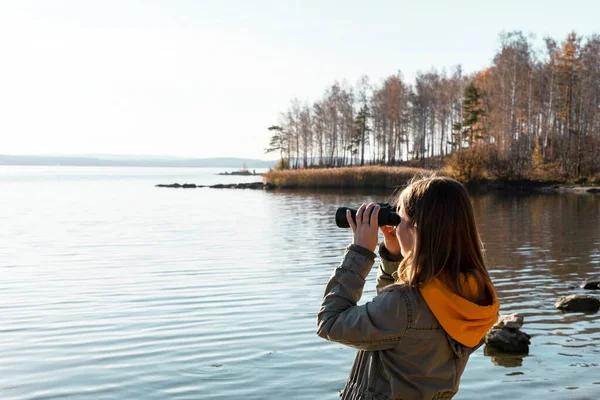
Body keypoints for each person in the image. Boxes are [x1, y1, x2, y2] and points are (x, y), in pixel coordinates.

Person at [317, 176, 500, 400]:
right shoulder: (473, 294)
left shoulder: (404, 303)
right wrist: (394, 256)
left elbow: (330, 323)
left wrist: (360, 252)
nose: (396, 225)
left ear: (416, 229)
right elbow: (393, 320)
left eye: (400, 218)